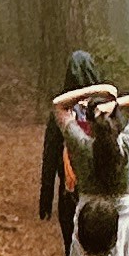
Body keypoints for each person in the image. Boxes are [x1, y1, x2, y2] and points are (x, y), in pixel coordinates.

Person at [48, 72, 129, 256]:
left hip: (88, 222)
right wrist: (114, 103)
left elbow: (58, 104)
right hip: (124, 223)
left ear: (90, 124)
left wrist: (97, 91)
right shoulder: (127, 145)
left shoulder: (82, 147)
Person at [36, 50, 101, 240]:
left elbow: (50, 155)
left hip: (69, 191)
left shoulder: (60, 112)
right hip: (98, 193)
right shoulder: (106, 108)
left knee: (71, 245)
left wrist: (46, 197)